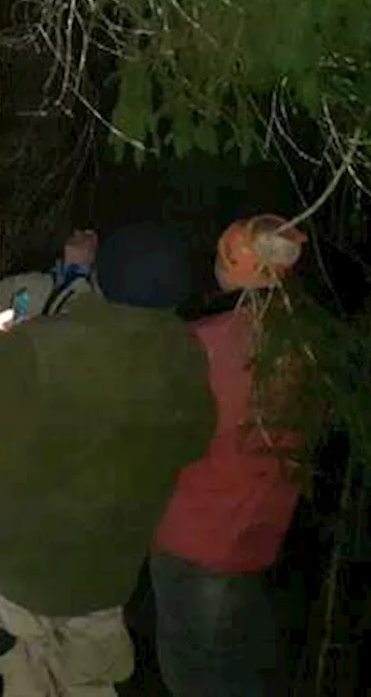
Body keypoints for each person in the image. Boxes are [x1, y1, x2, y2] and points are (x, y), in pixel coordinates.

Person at [0, 222, 216, 697]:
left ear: (103, 276)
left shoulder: (39, 345)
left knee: (10, 677)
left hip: (17, 572)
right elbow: (195, 441)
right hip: (105, 577)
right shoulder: (188, 358)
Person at [150, 214, 309, 697]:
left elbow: (164, 434)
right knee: (238, 666)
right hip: (260, 535)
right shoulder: (304, 348)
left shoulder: (203, 344)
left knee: (192, 671)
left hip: (194, 538)